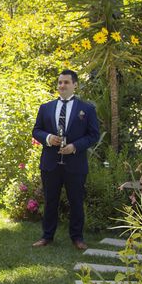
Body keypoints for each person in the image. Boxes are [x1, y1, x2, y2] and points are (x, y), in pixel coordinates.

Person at [31, 69, 100, 250]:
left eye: (66, 82)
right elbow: (36, 130)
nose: (62, 85)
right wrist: (47, 138)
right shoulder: (45, 108)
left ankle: (77, 238)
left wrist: (74, 146)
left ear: (75, 85)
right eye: (60, 82)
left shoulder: (87, 109)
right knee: (50, 200)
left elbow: (93, 135)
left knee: (76, 201)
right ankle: (47, 236)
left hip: (75, 163)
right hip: (50, 163)